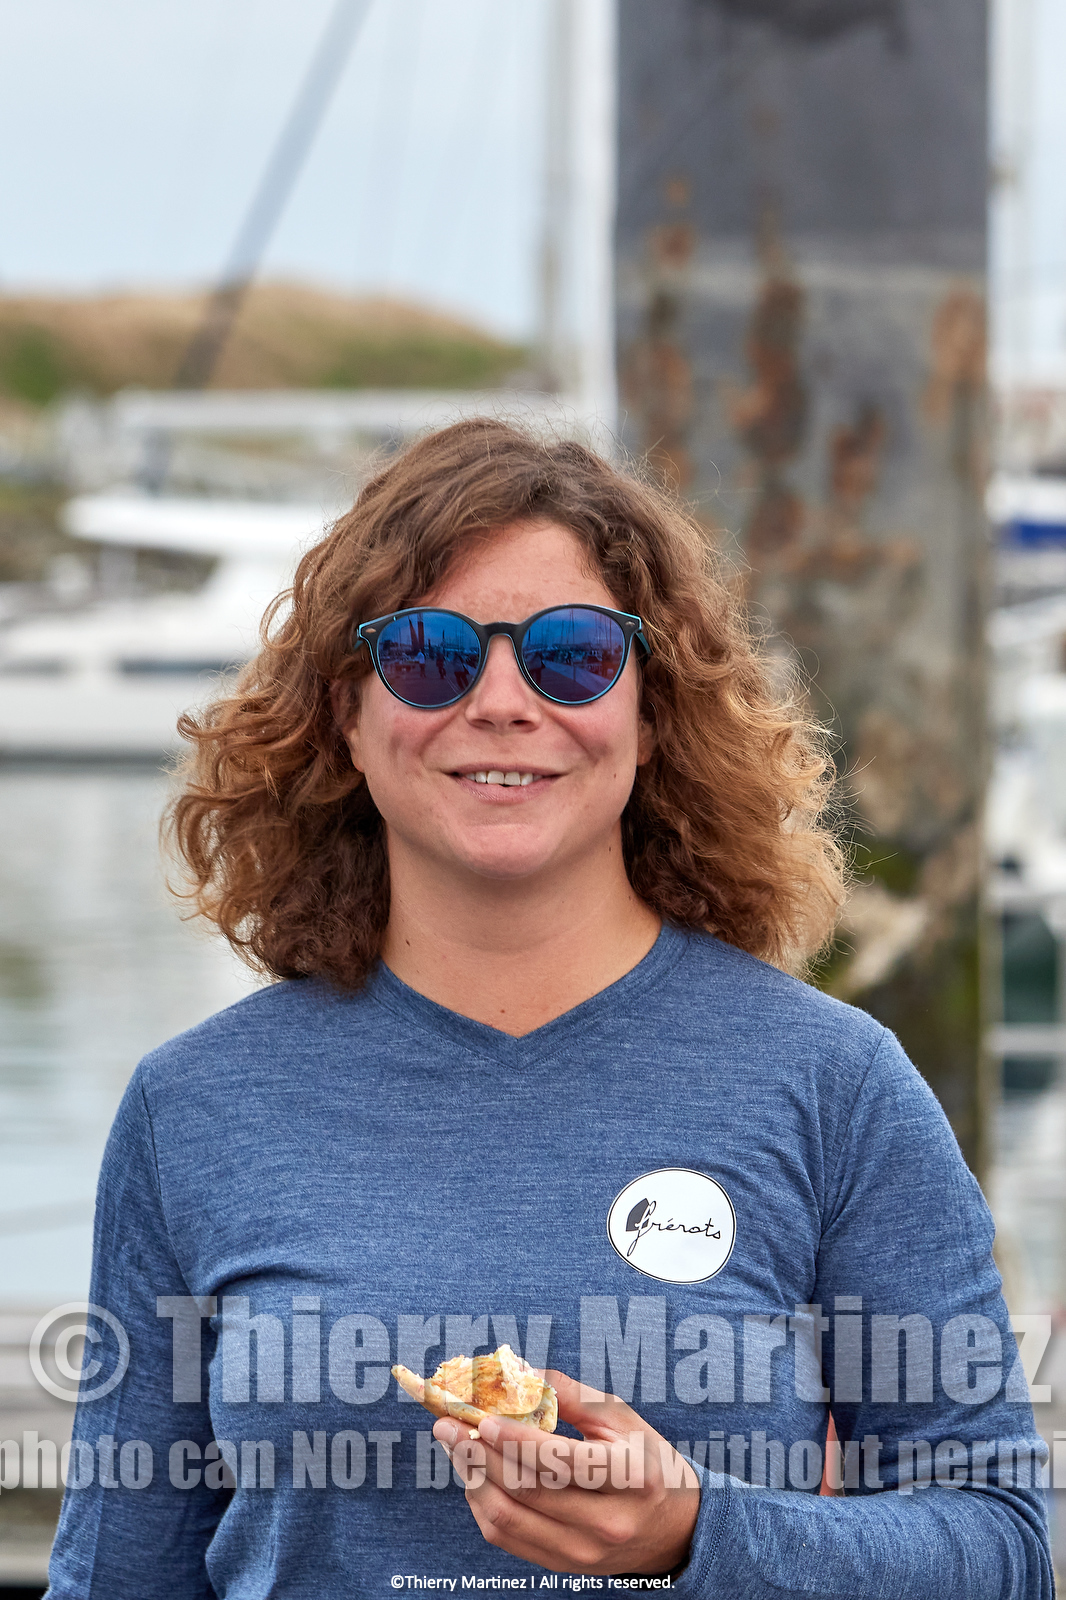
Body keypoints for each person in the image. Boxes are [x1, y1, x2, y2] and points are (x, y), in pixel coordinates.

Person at [46, 419, 1051, 1598]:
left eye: (573, 655)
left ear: (651, 706)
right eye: (431, 654)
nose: (504, 700)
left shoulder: (834, 1083)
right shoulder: (196, 1108)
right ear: (345, 716)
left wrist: (698, 1530)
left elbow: (1000, 1547)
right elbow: (118, 1575)